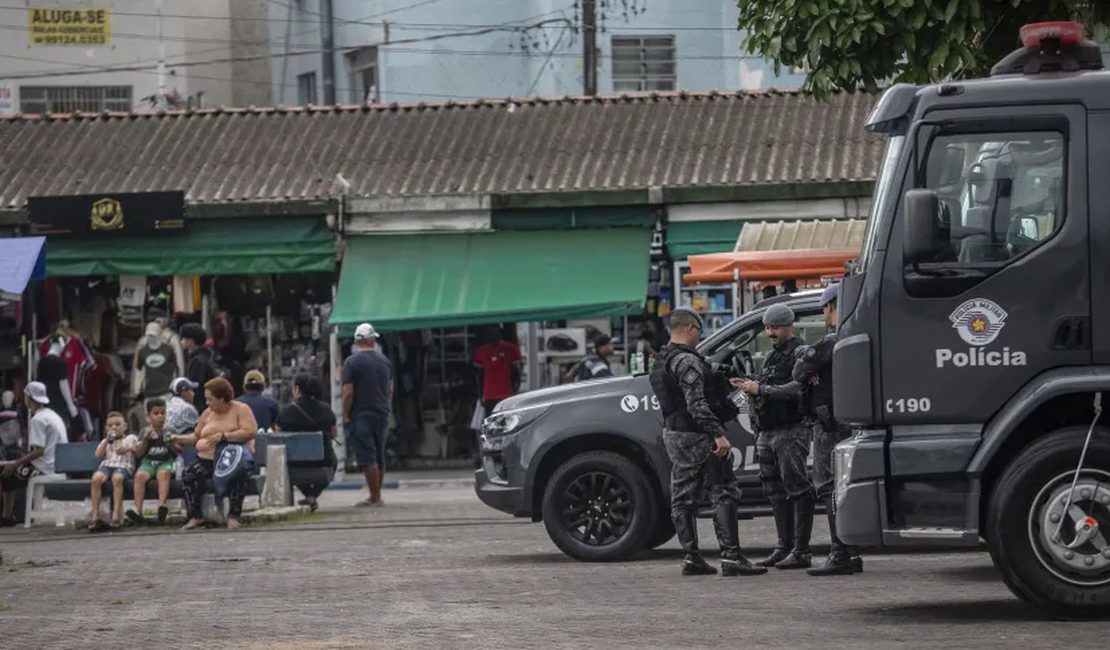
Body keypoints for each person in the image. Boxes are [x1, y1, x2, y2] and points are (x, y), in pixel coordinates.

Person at [650, 307, 766, 577]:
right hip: (699, 435)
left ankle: (691, 558)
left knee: (682, 497)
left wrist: (724, 375)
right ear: (691, 328)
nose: (699, 336)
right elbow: (697, 404)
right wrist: (718, 434)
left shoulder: (663, 359)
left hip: (675, 434)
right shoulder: (687, 362)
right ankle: (731, 557)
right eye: (699, 331)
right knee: (724, 490)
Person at [735, 303, 814, 569]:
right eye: (768, 327)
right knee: (774, 490)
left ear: (789, 325)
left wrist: (762, 390)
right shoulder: (774, 356)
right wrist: (751, 386)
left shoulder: (800, 352)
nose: (770, 332)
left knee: (798, 489)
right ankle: (784, 547)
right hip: (768, 431)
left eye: (775, 327)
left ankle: (801, 550)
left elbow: (799, 388)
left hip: (791, 429)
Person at [794, 283, 863, 576]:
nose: (824, 313)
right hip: (849, 421)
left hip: (829, 424)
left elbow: (799, 371)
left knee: (828, 487)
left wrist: (812, 372)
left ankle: (840, 554)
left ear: (831, 306)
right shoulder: (856, 335)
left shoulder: (830, 341)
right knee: (843, 487)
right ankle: (852, 553)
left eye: (825, 308)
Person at [171, 377, 258, 530]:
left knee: (239, 476)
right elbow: (196, 436)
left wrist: (224, 436)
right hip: (207, 459)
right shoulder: (207, 414)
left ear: (222, 399)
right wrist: (178, 438)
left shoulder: (241, 409)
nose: (207, 403)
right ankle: (195, 516)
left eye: (210, 400)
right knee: (189, 474)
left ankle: (233, 516)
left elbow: (250, 431)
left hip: (233, 459)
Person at [0, 382, 67, 527]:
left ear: (29, 398)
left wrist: (15, 463)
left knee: (4, 471)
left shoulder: (38, 419)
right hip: (56, 463)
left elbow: (39, 451)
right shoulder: (52, 415)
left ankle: (7, 515)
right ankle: (7, 516)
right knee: (9, 473)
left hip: (45, 467)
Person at [342, 323, 393, 507]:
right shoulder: (385, 361)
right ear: (372, 340)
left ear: (357, 341)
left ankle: (374, 497)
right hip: (381, 412)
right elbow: (389, 389)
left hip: (360, 414)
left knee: (367, 455)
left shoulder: (351, 362)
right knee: (379, 453)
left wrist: (346, 415)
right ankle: (377, 495)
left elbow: (348, 393)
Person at [275, 373, 337, 511]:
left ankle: (309, 494)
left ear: (297, 389)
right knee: (334, 460)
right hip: (324, 465)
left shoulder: (286, 411)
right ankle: (313, 494)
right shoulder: (326, 409)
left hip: (295, 467)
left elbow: (277, 433)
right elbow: (334, 432)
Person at [126, 399, 174, 525]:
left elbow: (178, 450)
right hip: (148, 462)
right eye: (156, 413)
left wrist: (170, 441)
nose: (160, 416)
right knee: (140, 476)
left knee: (164, 474)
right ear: (148, 417)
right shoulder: (144, 431)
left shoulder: (169, 430)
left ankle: (161, 506)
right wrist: (146, 441)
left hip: (165, 461)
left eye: (163, 413)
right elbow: (139, 454)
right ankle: (138, 510)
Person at [89, 411, 139, 531]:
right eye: (110, 425)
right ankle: (95, 516)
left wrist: (128, 449)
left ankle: (116, 515)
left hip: (124, 465)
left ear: (124, 426)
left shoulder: (130, 438)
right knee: (96, 479)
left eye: (117, 424)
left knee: (117, 478)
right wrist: (107, 440)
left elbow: (137, 453)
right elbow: (98, 454)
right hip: (107, 465)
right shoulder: (105, 441)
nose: (114, 427)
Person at [473, 326, 522, 414]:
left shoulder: (510, 349)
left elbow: (516, 373)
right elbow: (480, 376)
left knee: (498, 420)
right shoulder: (481, 351)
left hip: (501, 394)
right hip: (494, 394)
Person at [181, 323, 220, 413]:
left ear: (190, 341)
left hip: (200, 406)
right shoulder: (205, 356)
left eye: (183, 339)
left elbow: (196, 385)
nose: (181, 341)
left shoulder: (197, 361)